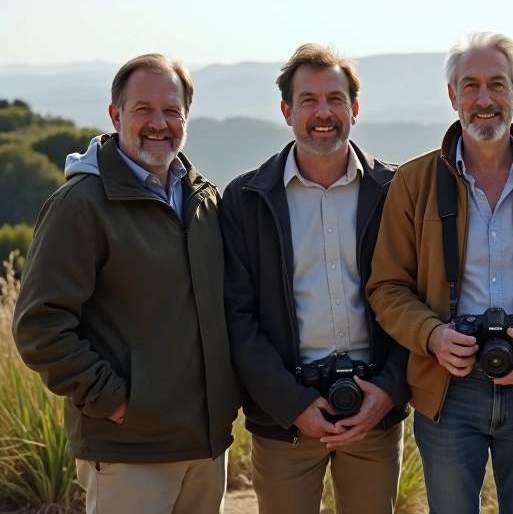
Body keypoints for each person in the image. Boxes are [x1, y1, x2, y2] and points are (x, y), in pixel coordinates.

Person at [366, 32, 513, 514]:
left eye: (497, 84)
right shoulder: (414, 182)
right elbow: (387, 286)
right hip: (446, 389)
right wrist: (433, 337)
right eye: (470, 86)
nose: (484, 99)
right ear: (452, 97)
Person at [12, 54, 241, 514]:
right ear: (116, 115)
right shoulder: (81, 207)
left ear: (186, 118)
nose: (159, 123)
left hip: (206, 448)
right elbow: (39, 327)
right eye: (143, 109)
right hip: (128, 452)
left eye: (171, 110)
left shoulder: (203, 200)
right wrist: (120, 405)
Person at [219, 44, 411, 514]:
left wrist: (388, 393)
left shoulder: (398, 192)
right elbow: (237, 319)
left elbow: (421, 299)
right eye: (308, 100)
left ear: (355, 109)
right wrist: (293, 405)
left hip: (374, 414)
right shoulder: (245, 200)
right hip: (284, 420)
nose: (323, 112)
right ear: (287, 111)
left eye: (335, 99)